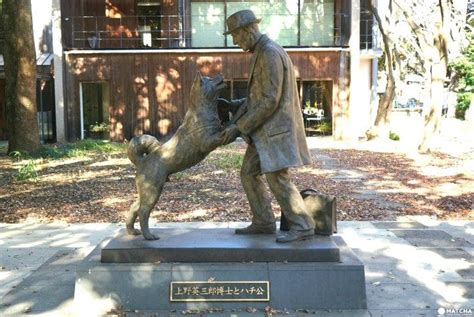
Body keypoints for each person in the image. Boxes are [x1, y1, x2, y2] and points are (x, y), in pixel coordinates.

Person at [219, 10, 315, 243]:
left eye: (236, 35)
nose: (235, 41)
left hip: (274, 132)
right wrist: (235, 105)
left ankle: (303, 225)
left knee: (277, 177)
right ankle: (263, 221)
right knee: (249, 173)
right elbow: (258, 96)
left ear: (248, 30)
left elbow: (270, 99)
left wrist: (239, 127)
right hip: (265, 133)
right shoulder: (261, 51)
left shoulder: (269, 53)